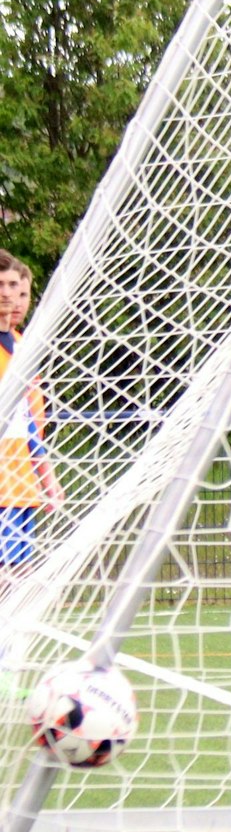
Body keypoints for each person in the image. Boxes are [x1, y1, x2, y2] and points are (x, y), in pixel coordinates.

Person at [0, 250, 63, 586]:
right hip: (3, 482)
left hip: (20, 479)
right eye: (5, 286)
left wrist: (46, 476)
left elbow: (29, 425)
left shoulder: (22, 346)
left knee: (18, 573)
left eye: (20, 289)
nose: (13, 297)